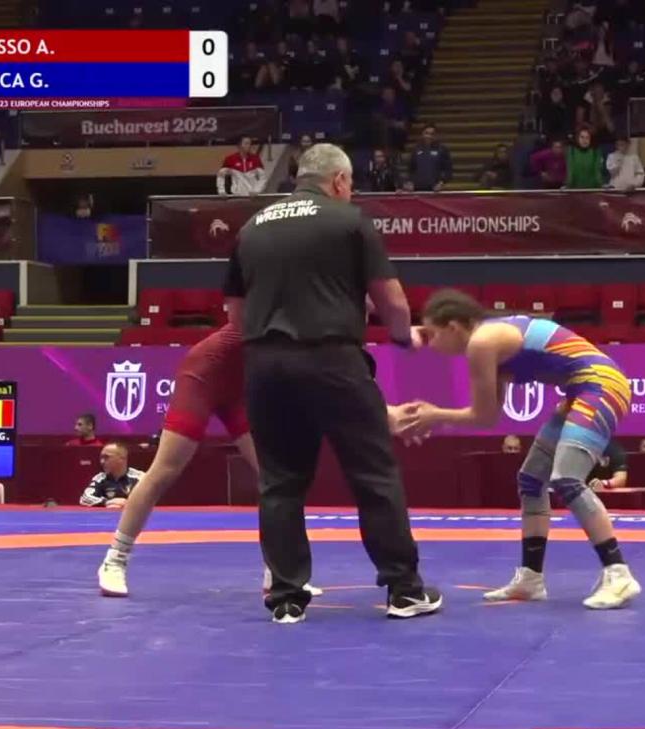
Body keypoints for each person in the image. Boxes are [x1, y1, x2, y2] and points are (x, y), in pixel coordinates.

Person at [223, 143, 442, 624]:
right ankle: (404, 590)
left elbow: (235, 313)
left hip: (265, 365)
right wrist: (402, 336)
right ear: (339, 180)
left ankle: (285, 597)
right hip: (331, 360)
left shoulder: (252, 226)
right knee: (373, 474)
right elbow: (392, 300)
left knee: (279, 482)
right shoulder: (349, 221)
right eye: (351, 184)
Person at [398, 289, 641, 610]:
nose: (431, 344)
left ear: (453, 327)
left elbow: (481, 415)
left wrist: (435, 415)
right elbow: (488, 418)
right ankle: (530, 578)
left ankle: (619, 573)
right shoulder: (490, 339)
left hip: (601, 385)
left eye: (433, 335)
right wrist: (435, 414)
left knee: (567, 479)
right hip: (581, 390)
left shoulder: (482, 343)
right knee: (531, 480)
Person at [96, 323, 339, 599]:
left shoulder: (312, 318)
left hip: (243, 383)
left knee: (277, 476)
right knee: (165, 469)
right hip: (205, 374)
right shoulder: (289, 308)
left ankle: (280, 572)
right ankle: (115, 560)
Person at [79, 443, 145, 509]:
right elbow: (84, 498)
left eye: (106, 457)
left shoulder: (140, 477)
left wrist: (128, 503)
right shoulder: (100, 478)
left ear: (122, 458)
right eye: (101, 458)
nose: (102, 461)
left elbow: (149, 499)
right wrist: (106, 502)